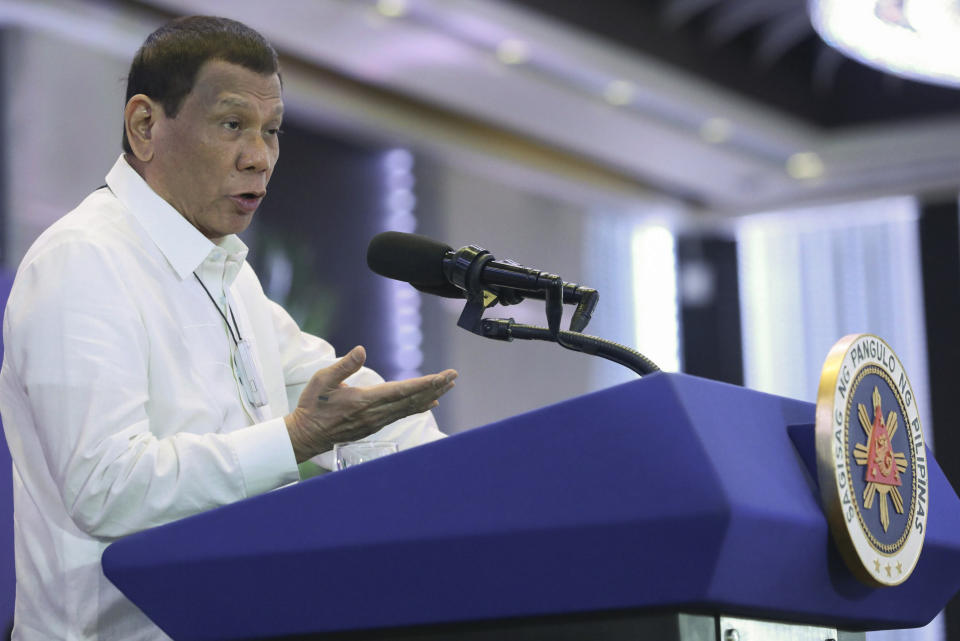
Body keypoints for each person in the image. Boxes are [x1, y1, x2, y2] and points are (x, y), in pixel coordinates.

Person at [0, 15, 457, 640]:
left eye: (271, 132)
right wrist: (294, 440)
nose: (260, 158)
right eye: (232, 125)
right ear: (145, 125)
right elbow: (105, 486)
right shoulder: (83, 259)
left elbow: (352, 407)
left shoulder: (228, 276)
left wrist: (467, 477)